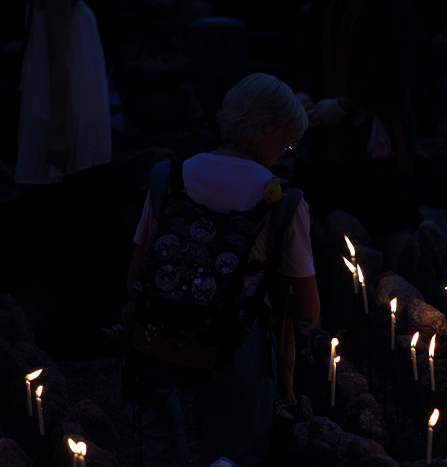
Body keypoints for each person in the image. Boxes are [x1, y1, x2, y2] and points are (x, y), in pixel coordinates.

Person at [126, 73, 320, 467]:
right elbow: (310, 309)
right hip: (237, 343)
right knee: (235, 454)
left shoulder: (169, 176)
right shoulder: (282, 200)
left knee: (159, 430)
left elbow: (135, 279)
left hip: (157, 334)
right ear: (266, 127)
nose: (284, 153)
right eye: (286, 143)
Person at [292, 0, 419, 271]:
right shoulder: (324, 6)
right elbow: (306, 50)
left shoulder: (393, 8)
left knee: (388, 219)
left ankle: (393, 294)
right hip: (327, 126)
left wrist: (345, 103)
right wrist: (304, 94)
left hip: (377, 125)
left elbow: (393, 62)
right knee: (332, 214)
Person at [15, 0, 111, 184]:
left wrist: (59, 132)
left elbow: (58, 59)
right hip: (58, 111)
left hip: (64, 113)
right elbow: (57, 59)